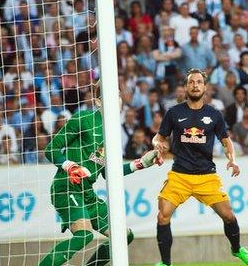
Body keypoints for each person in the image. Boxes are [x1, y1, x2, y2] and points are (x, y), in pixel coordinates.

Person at [40, 92, 161, 266]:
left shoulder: (112, 132)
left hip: (87, 193)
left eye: (119, 94)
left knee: (125, 236)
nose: (117, 98)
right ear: (98, 101)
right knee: (84, 235)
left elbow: (108, 173)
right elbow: (51, 149)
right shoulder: (83, 118)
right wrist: (70, 165)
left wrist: (141, 163)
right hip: (67, 186)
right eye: (113, 93)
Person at [152, 69, 248, 266]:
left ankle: (237, 249)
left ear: (205, 87)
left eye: (199, 82)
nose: (195, 85)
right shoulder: (174, 113)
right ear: (186, 86)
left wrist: (232, 159)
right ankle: (166, 263)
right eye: (191, 82)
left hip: (206, 176)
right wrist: (157, 144)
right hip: (180, 175)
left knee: (228, 215)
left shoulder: (214, 114)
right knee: (163, 215)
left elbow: (226, 142)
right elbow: (159, 136)